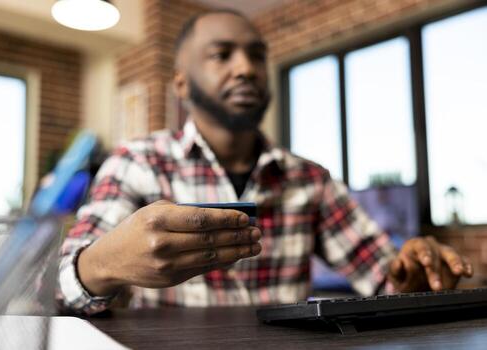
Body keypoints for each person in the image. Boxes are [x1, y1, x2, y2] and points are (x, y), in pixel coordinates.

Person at [56, 9, 473, 315]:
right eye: (222, 55)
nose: (247, 69)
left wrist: (416, 274)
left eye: (257, 56)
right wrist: (103, 263)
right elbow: (59, 285)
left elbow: (385, 277)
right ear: (181, 84)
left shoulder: (309, 179)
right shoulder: (136, 162)